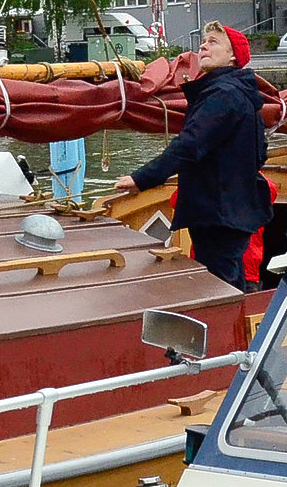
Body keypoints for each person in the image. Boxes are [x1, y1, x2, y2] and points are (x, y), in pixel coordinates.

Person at [112, 21, 271, 291]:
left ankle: (225, 330)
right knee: (226, 278)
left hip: (218, 212)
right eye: (203, 40)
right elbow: (260, 155)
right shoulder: (241, 94)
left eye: (213, 41)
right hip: (232, 210)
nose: (203, 45)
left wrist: (142, 178)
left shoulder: (223, 94)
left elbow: (190, 144)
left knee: (219, 284)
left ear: (233, 56)